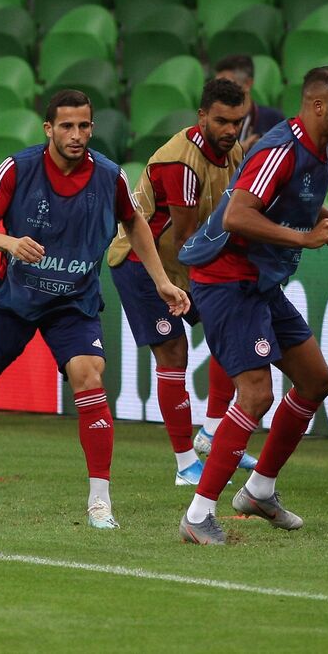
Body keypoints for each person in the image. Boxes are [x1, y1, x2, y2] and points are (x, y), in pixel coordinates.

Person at [0, 91, 189, 529]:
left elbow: (135, 222)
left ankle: (100, 503)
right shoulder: (19, 168)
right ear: (49, 129)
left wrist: (161, 280)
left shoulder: (109, 177)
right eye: (67, 126)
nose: (76, 135)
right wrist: (10, 243)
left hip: (72, 303)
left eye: (84, 126)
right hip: (14, 299)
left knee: (90, 374)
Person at [176, 67, 328, 545]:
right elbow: (237, 214)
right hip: (226, 279)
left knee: (316, 380)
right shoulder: (280, 148)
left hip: (260, 281)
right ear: (318, 106)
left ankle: (260, 490)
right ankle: (197, 514)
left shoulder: (326, 148)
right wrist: (304, 238)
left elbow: (302, 200)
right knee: (255, 395)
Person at [108, 77, 252, 486]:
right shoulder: (180, 163)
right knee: (173, 353)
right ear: (202, 116)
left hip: (186, 262)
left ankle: (212, 432)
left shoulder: (233, 151)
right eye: (222, 121)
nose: (230, 131)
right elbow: (188, 238)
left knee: (232, 329)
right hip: (143, 262)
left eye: (237, 122)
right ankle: (186, 464)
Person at [213, 54, 286, 152]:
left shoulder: (273, 120)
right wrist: (237, 151)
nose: (218, 91)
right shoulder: (211, 122)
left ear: (248, 84)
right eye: (216, 85)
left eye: (226, 84)